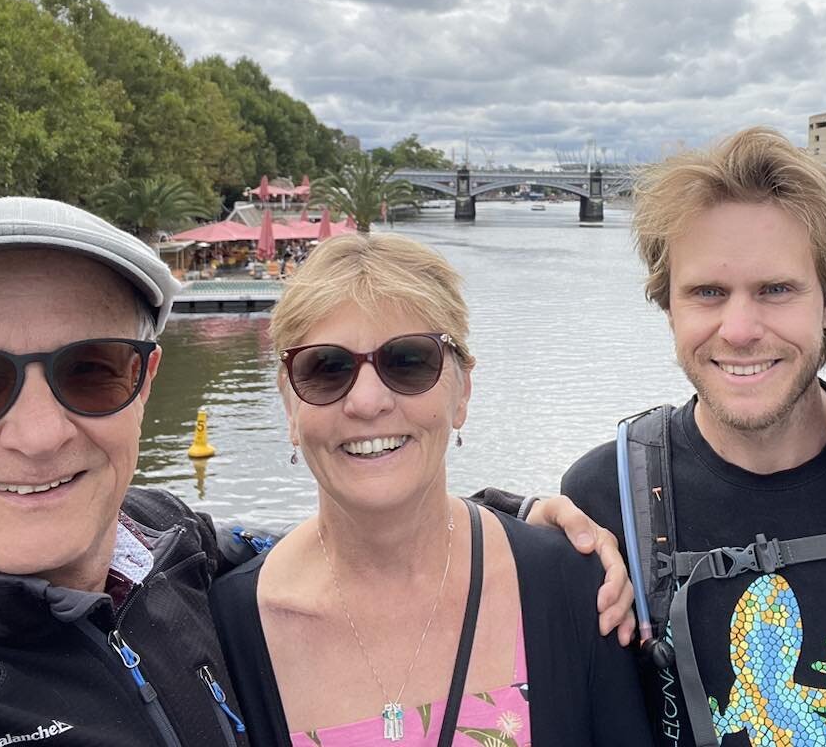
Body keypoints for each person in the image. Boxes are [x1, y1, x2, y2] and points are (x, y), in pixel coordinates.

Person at [0, 198, 628, 747]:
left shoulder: (168, 553)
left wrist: (519, 519)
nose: (40, 435)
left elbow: (361, 536)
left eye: (92, 370)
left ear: (144, 383)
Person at [560, 128, 826, 747]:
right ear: (668, 307)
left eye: (776, 290)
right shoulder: (606, 496)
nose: (739, 329)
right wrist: (511, 525)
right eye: (708, 293)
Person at [210, 232, 653, 746]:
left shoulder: (572, 587)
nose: (367, 402)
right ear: (289, 406)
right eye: (326, 369)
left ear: (462, 390)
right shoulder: (228, 629)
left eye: (409, 361)